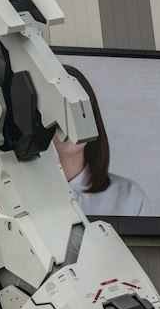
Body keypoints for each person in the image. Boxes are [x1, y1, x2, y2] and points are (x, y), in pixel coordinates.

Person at [54, 65, 151, 217]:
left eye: (78, 109)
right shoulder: (11, 195)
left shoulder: (129, 198)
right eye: (57, 109)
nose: (68, 123)